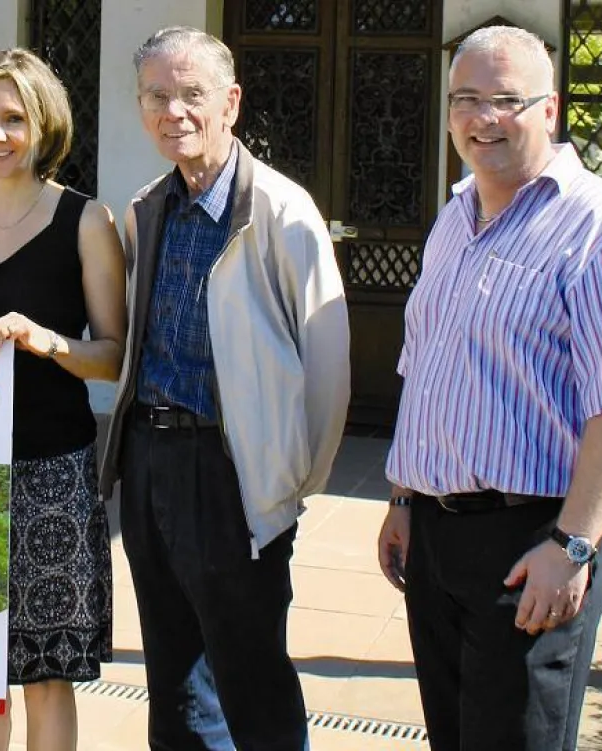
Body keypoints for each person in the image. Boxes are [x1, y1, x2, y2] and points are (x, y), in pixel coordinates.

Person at [377, 26, 602, 751]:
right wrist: (404, 500)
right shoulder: (454, 218)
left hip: (533, 540)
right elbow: (425, 368)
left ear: (551, 108)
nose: (483, 118)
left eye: (506, 99)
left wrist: (571, 546)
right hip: (436, 537)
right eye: (466, 99)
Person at [98, 26, 350, 751]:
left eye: (192, 94)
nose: (173, 111)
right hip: (150, 461)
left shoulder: (281, 211)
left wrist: (288, 481)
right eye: (156, 95)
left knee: (250, 675)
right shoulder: (147, 208)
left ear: (230, 103)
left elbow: (327, 365)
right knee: (174, 674)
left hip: (232, 471)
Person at [0, 48, 126, 751]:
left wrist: (48, 342)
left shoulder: (86, 221)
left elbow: (113, 357)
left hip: (52, 469)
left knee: (47, 672)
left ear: (45, 125)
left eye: (13, 118)